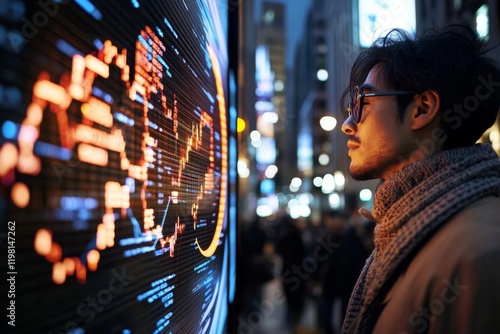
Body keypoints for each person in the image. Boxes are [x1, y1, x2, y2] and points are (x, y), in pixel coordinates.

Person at [339, 24, 500, 334]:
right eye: (351, 105)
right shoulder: (401, 229)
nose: (348, 123)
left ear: (422, 109)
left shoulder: (479, 254)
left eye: (363, 103)